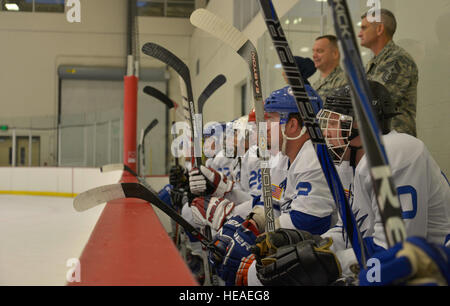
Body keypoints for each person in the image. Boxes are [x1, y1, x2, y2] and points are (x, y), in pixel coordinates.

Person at [316, 82, 450, 282]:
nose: (326, 132)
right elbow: (347, 231)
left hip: (434, 270)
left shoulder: (397, 152)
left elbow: (396, 249)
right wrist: (317, 248)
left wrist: (333, 262)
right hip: (386, 264)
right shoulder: (348, 161)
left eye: (335, 123)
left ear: (362, 123)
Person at [359, 8, 418, 137]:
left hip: (395, 141)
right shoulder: (373, 63)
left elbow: (376, 102)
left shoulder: (398, 59)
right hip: (378, 140)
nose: (359, 34)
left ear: (379, 29)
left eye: (364, 28)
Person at [311, 35, 347, 101]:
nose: (314, 55)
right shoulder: (316, 84)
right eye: (313, 51)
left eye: (319, 51)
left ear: (335, 54)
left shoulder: (345, 82)